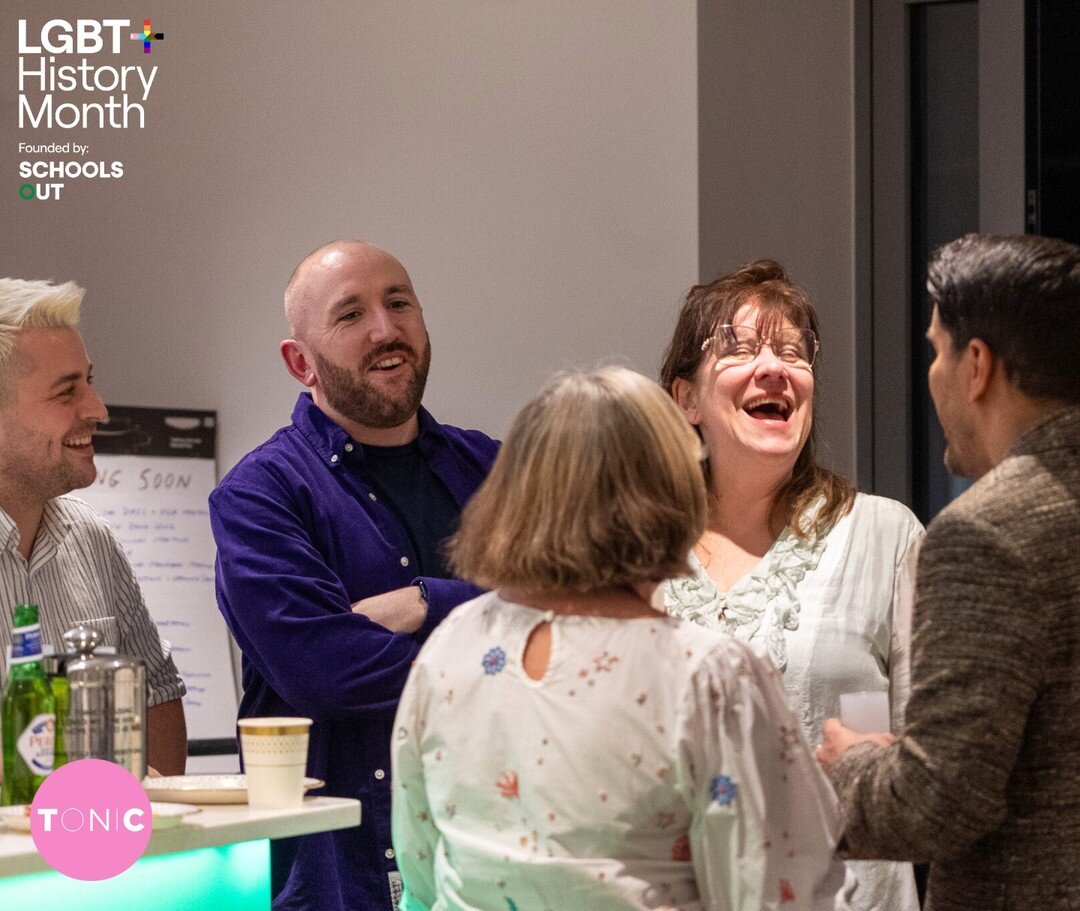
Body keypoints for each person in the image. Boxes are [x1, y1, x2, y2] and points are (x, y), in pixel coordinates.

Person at [392, 366, 850, 911]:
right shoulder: (709, 677)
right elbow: (780, 891)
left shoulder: (451, 647)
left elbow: (420, 867)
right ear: (673, 495)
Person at [210, 241, 498, 911]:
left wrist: (431, 599)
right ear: (299, 361)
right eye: (351, 315)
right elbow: (327, 673)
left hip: (490, 863)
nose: (386, 328)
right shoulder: (260, 496)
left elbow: (573, 608)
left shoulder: (494, 469)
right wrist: (501, 645)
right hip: (343, 876)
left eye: (400, 303)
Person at [817, 233, 1080, 910]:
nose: (930, 373)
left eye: (937, 350)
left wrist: (852, 762)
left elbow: (937, 803)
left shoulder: (982, 533)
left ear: (978, 366)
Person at [658, 260, 922, 911]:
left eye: (794, 353)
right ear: (685, 398)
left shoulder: (882, 536)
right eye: (741, 349)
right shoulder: (635, 554)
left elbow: (938, 763)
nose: (774, 368)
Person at [0, 278, 187, 775]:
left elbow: (157, 693)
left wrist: (145, 839)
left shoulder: (91, 539)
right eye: (67, 392)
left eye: (89, 381)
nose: (98, 410)